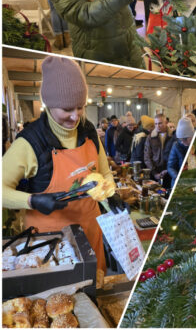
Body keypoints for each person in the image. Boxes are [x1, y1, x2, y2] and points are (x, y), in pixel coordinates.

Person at [1, 57, 125, 280]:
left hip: (91, 234)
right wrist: (32, 201)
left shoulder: (89, 133)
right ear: (48, 104)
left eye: (80, 107)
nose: (75, 116)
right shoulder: (29, 143)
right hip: (51, 246)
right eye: (67, 109)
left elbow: (105, 173)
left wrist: (111, 193)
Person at [144, 113, 176, 186]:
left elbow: (175, 155)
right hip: (155, 171)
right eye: (156, 124)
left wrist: (169, 169)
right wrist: (154, 173)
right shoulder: (150, 138)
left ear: (166, 123)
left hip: (169, 172)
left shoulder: (173, 137)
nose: (157, 126)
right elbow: (147, 157)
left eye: (160, 123)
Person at [167, 117, 194, 189]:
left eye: (185, 139)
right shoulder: (176, 146)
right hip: (178, 184)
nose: (182, 142)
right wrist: (177, 177)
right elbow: (170, 166)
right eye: (180, 139)